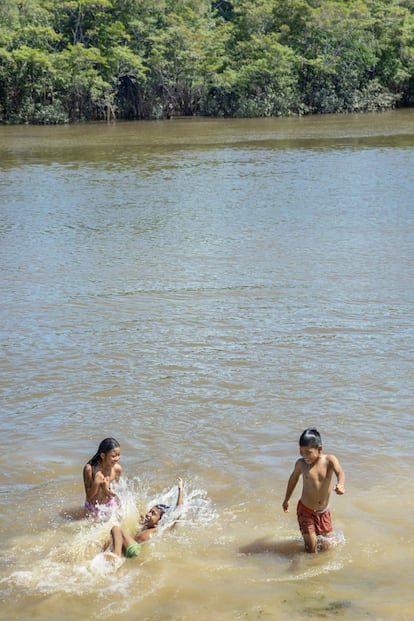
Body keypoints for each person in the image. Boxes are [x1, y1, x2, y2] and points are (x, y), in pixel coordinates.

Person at [282, 428, 345, 553]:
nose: (304, 456)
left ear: (320, 449)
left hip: (323, 512)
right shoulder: (301, 464)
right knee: (311, 550)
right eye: (301, 452)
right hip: (305, 510)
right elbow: (293, 479)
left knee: (327, 548)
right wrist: (286, 499)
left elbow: (340, 472)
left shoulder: (330, 460)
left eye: (308, 452)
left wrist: (341, 484)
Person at [107, 477, 184, 559]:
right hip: (129, 548)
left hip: (135, 550)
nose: (148, 515)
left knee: (116, 529)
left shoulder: (159, 529)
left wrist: (180, 489)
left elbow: (177, 512)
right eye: (150, 511)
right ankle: (104, 556)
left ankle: (116, 557)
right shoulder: (144, 524)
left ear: (159, 521)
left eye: (153, 514)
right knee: (109, 540)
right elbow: (133, 509)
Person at [83, 438, 122, 519]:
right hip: (93, 506)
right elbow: (89, 498)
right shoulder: (89, 469)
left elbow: (117, 493)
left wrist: (106, 490)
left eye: (119, 455)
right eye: (113, 456)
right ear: (103, 455)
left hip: (109, 504)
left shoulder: (117, 469)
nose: (117, 458)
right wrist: (96, 483)